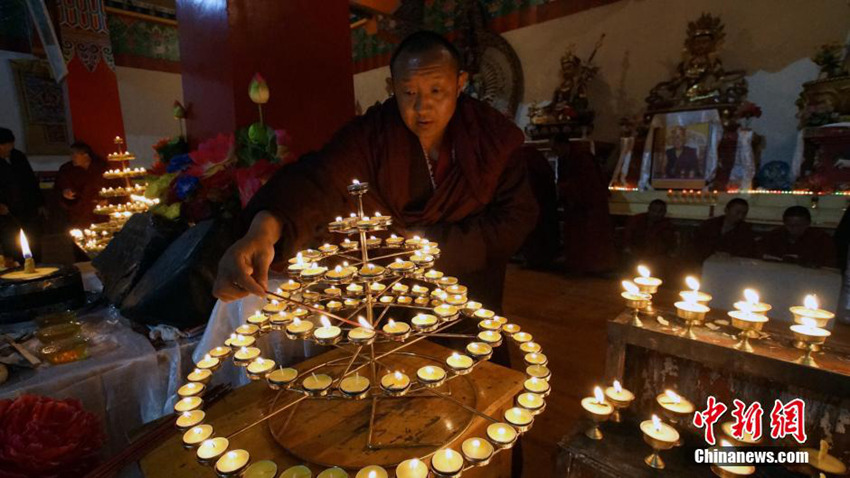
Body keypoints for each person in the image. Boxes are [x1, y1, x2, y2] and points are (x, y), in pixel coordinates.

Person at [213, 31, 538, 314]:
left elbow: (516, 216)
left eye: (437, 90)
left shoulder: (492, 136)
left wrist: (427, 249)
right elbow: (317, 180)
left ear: (460, 83)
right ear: (391, 86)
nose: (422, 106)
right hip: (393, 294)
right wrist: (261, 235)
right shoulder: (372, 135)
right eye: (409, 92)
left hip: (471, 286)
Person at [554, 133, 617, 274]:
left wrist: (564, 188)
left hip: (589, 206)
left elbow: (588, 184)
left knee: (591, 237)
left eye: (555, 148)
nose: (554, 151)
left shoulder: (581, 158)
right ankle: (579, 264)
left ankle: (594, 265)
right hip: (576, 206)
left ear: (564, 145)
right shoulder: (565, 158)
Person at [0, 127, 45, 262]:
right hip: (6, 214)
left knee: (33, 242)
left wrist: (40, 203)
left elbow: (31, 181)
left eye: (10, 145)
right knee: (12, 244)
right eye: (5, 145)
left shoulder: (18, 156)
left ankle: (36, 267)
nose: (8, 148)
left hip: (27, 208)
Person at [519, 145, 559, 270]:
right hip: (542, 206)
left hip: (535, 205)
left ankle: (536, 260)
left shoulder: (527, 162)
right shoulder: (537, 163)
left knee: (536, 236)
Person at [759, 206, 836, 268]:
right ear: (784, 223)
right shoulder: (774, 235)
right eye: (790, 225)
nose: (795, 229)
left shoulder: (821, 239)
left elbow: (829, 263)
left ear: (808, 224)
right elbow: (759, 254)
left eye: (799, 226)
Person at [54, 142, 107, 229]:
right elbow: (59, 186)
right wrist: (65, 193)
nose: (72, 158)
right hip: (79, 213)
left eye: (75, 156)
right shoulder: (66, 169)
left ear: (85, 155)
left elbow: (114, 187)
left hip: (101, 212)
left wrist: (107, 200)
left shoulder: (102, 167)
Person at [690, 198, 756, 264]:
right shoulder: (709, 226)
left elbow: (747, 251)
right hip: (704, 263)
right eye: (737, 212)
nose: (740, 217)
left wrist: (730, 254)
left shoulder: (745, 231)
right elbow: (696, 244)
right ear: (726, 210)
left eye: (744, 214)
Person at [623, 199, 675, 268]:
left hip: (656, 257)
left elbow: (669, 244)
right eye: (654, 210)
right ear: (649, 210)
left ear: (664, 212)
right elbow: (627, 237)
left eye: (660, 211)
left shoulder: (667, 225)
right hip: (635, 253)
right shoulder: (637, 220)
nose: (656, 214)